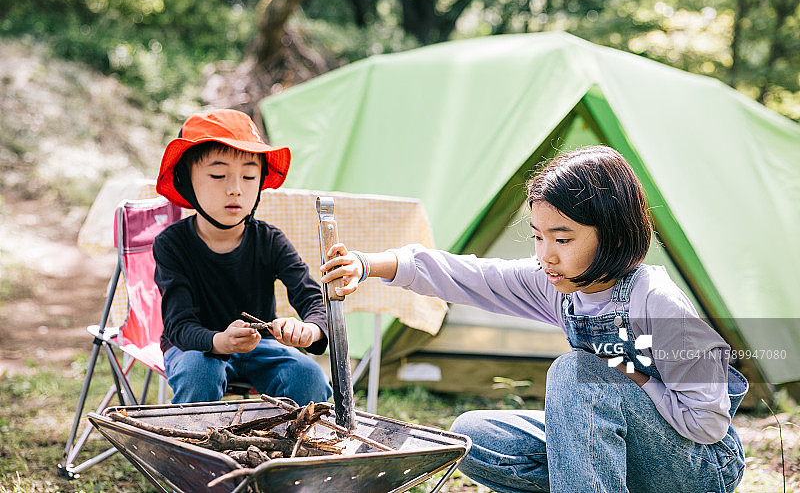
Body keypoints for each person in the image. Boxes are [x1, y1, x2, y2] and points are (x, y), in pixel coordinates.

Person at [320, 145, 748, 493]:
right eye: (539, 237)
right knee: (476, 435)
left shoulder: (657, 303)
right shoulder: (557, 283)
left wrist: (629, 375)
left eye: (562, 238)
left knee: (576, 372)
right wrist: (367, 264)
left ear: (615, 235)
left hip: (699, 467)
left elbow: (706, 422)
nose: (546, 255)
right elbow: (468, 275)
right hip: (635, 454)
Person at [153, 108, 333, 406]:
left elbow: (314, 301)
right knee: (199, 373)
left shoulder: (270, 241)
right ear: (186, 181)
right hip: (195, 348)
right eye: (218, 174)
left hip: (260, 346)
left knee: (308, 376)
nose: (235, 189)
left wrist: (309, 329)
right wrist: (218, 341)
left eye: (249, 176)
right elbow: (179, 325)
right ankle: (196, 450)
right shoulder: (172, 244)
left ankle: (292, 449)